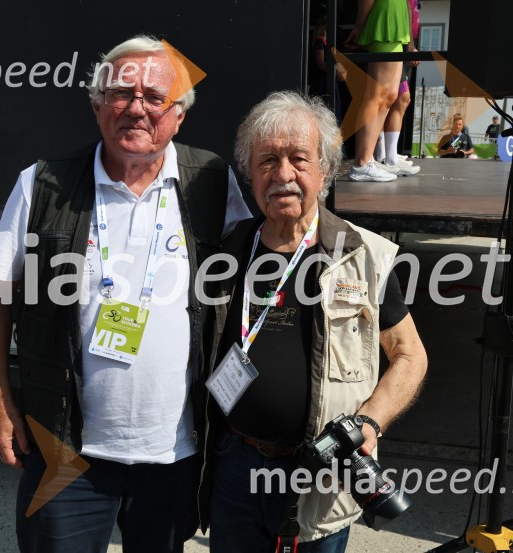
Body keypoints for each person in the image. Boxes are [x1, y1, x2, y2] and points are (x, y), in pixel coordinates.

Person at [0, 35, 251, 553]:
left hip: (175, 453)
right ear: (98, 104)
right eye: (121, 94)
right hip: (64, 450)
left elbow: (263, 271)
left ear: (178, 115)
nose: (136, 109)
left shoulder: (212, 181)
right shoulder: (43, 183)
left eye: (153, 98)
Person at [198, 91, 427, 552]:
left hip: (320, 476)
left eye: (298, 159)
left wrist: (369, 422)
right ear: (250, 172)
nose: (283, 175)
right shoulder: (226, 252)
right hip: (235, 463)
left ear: (325, 170)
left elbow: (409, 355)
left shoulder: (363, 255)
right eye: (267, 161)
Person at [344, 0, 418, 182]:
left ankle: (368, 159)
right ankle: (362, 162)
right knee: (377, 96)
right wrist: (359, 26)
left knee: (390, 96)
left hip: (395, 23)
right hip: (385, 20)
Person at [374, 0, 421, 176]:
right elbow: (407, 11)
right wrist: (410, 45)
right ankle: (384, 157)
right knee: (391, 97)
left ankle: (388, 156)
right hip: (397, 40)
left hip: (402, 40)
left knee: (398, 98)